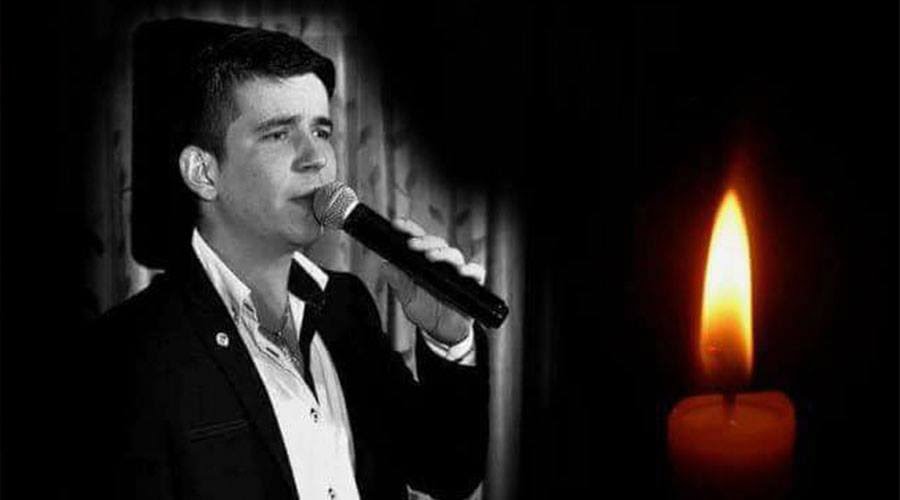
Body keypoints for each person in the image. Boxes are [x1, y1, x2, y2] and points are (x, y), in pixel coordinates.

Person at [88, 28, 489, 500]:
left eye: (321, 131)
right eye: (278, 134)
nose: (317, 158)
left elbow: (448, 471)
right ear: (204, 172)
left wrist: (450, 341)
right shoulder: (127, 352)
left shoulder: (347, 307)